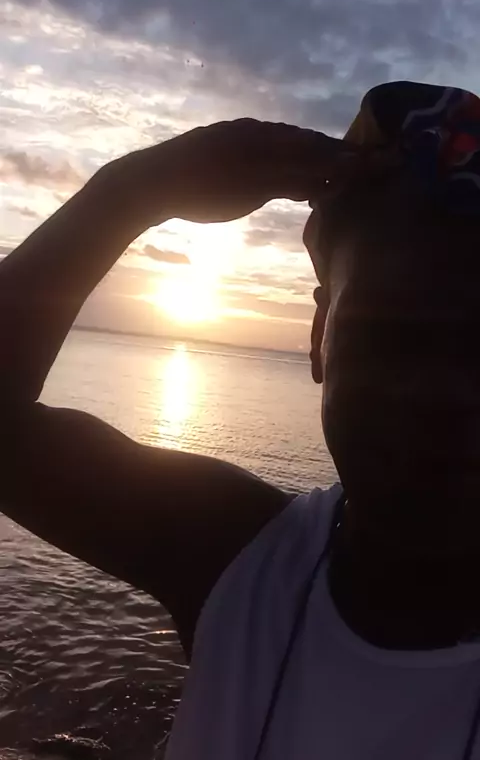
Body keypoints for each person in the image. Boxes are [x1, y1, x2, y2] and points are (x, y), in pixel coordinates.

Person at [1, 81, 480, 759]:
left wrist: (135, 190)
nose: (446, 399)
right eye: (393, 336)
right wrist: (132, 190)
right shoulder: (239, 560)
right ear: (319, 338)